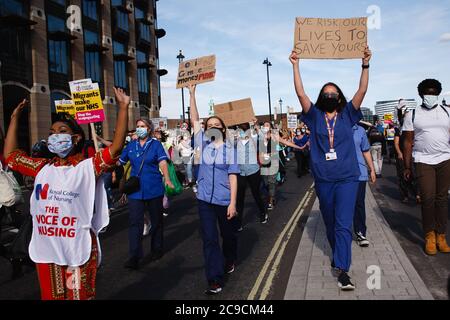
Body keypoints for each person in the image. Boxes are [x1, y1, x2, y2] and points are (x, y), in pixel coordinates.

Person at [3, 88, 129, 300]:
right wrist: (14, 118)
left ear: (76, 138)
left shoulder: (88, 167)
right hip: (48, 248)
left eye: (61, 131)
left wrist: (123, 107)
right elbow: (11, 156)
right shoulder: (42, 167)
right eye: (51, 133)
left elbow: (115, 150)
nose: (55, 136)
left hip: (77, 248)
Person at [290, 46, 372, 290]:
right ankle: (339, 256)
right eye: (326, 93)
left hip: (348, 179)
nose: (329, 95)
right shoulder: (314, 115)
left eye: (333, 93)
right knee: (329, 223)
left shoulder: (348, 114)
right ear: (321, 96)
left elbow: (362, 89)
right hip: (324, 180)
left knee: (343, 224)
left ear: (339, 96)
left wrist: (365, 64)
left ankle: (343, 269)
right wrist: (295, 64)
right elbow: (300, 92)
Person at [189, 84, 239, 295]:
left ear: (223, 129)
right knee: (210, 239)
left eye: (217, 124)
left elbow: (233, 176)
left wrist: (233, 203)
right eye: (210, 124)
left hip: (224, 199)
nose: (213, 127)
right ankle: (214, 279)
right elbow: (194, 119)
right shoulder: (202, 143)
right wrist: (192, 93)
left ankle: (230, 258)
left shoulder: (230, 150)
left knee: (228, 236)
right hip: (204, 200)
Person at [402, 79, 450, 255]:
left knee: (442, 199)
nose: (431, 95)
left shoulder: (447, 112)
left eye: (434, 92)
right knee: (428, 198)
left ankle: (441, 235)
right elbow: (407, 142)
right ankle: (429, 235)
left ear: (438, 93)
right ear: (421, 94)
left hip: (445, 158)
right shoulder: (412, 114)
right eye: (428, 92)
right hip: (423, 160)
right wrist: (407, 166)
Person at [119, 118, 174, 269]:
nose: (139, 129)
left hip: (153, 188)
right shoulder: (131, 145)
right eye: (137, 126)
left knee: (156, 221)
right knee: (135, 223)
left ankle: (157, 248)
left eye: (142, 126)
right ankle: (134, 256)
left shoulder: (155, 145)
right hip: (135, 190)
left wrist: (167, 179)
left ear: (149, 129)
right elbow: (121, 163)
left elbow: (162, 162)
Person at [257, 121, 302, 210]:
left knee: (271, 182)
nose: (265, 126)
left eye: (267, 125)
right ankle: (271, 193)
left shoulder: (275, 136)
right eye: (264, 125)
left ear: (270, 127)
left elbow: (287, 143)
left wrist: (299, 147)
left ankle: (271, 200)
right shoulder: (261, 137)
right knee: (265, 183)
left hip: (273, 163)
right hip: (264, 163)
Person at [235, 120, 268, 231]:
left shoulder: (253, 134)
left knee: (256, 193)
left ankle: (263, 212)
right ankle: (238, 222)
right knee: (239, 198)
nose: (243, 124)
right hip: (240, 171)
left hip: (253, 170)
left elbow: (264, 139)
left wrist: (256, 125)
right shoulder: (236, 135)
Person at [352, 124, 376, 247]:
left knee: (359, 203)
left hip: (359, 173)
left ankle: (360, 232)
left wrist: (372, 169)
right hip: (341, 174)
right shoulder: (336, 128)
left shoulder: (360, 130)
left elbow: (365, 151)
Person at [395, 100, 420, 204]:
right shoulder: (399, 128)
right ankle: (405, 195)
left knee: (415, 175)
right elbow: (396, 143)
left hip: (412, 154)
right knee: (402, 176)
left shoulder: (413, 127)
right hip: (402, 155)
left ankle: (418, 194)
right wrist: (400, 153)